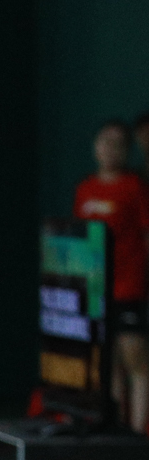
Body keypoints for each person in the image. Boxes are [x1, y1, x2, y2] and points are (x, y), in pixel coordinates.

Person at [75, 119, 149, 431]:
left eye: (118, 144)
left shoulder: (135, 187)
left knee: (135, 358)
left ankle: (139, 433)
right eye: (104, 142)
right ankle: (116, 431)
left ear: (126, 151)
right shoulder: (85, 189)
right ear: (95, 147)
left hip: (129, 286)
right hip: (96, 288)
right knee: (109, 364)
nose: (110, 149)